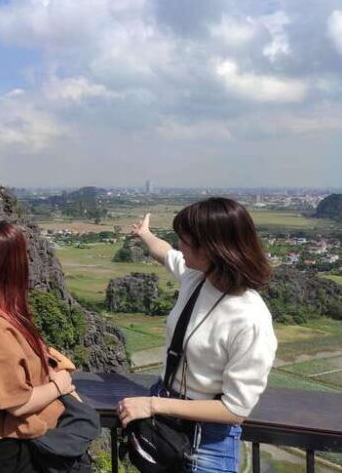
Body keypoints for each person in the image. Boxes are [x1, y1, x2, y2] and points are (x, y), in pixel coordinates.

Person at [118, 198, 277, 473]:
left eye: (186, 241)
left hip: (208, 440)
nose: (180, 246)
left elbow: (235, 410)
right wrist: (145, 234)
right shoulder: (198, 277)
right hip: (164, 420)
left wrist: (153, 405)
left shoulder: (249, 318)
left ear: (214, 248)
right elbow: (164, 253)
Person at [0, 220, 79, 473]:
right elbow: (17, 403)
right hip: (9, 451)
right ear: (13, 264)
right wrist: (59, 386)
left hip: (18, 446)